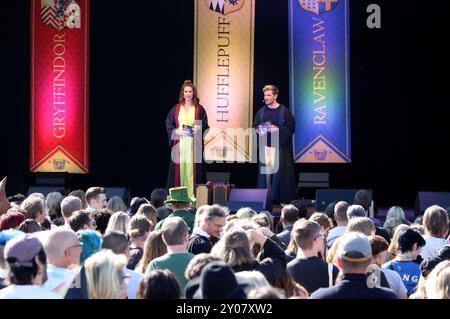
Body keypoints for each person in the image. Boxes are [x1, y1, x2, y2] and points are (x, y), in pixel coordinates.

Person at [253, 85, 296, 204]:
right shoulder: (261, 112)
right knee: (266, 175)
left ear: (275, 96)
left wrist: (278, 129)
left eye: (269, 95)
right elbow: (255, 127)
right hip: (266, 147)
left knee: (280, 174)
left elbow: (291, 127)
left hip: (280, 148)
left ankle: (282, 200)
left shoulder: (284, 111)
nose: (266, 97)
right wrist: (261, 129)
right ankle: (264, 200)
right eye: (265, 95)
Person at [165, 80, 209, 198]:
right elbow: (169, 124)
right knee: (180, 173)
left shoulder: (199, 109)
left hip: (193, 145)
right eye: (186, 91)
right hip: (179, 145)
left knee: (191, 172)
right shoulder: (176, 108)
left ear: (193, 93)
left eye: (190, 91)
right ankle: (179, 200)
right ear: (182, 93)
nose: (188, 94)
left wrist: (198, 128)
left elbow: (205, 125)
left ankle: (192, 199)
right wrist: (175, 131)